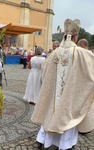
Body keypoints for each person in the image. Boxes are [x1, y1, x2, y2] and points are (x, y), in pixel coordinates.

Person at [31, 18, 94, 150]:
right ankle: (65, 145)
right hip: (69, 98)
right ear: (75, 37)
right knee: (67, 118)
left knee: (51, 115)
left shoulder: (54, 53)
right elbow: (90, 74)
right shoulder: (81, 53)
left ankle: (44, 141)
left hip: (53, 96)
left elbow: (44, 70)